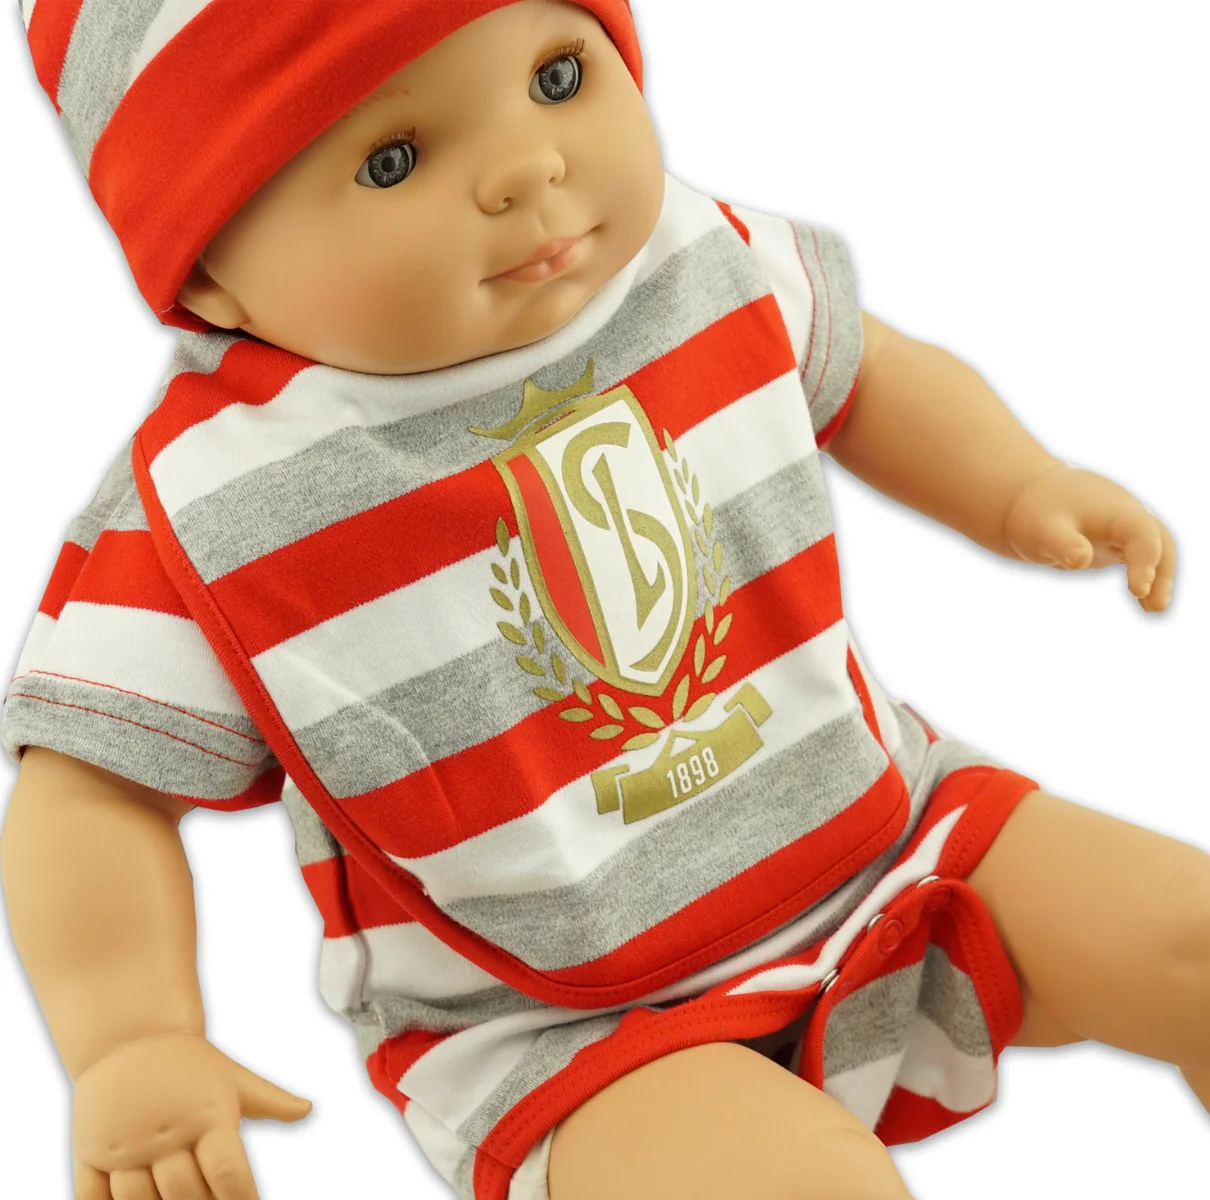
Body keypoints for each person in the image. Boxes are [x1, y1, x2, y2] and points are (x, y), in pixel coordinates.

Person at [1, 3, 1205, 1199]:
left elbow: (866, 369)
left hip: (883, 836)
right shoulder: (221, 508)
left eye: (557, 76)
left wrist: (1017, 485)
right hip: (560, 1022)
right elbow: (91, 789)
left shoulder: (694, 262)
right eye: (393, 160)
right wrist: (129, 1034)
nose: (527, 166)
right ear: (210, 274)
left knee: (1187, 936)